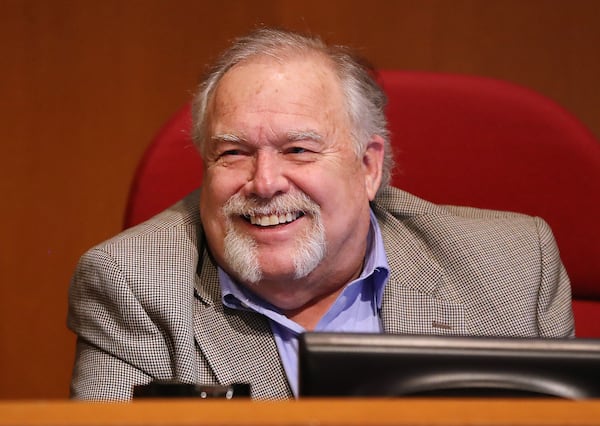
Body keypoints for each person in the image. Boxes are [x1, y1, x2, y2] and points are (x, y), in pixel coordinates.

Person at [68, 28, 574, 401]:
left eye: (299, 150)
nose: (264, 183)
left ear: (368, 166)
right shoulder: (133, 283)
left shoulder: (512, 267)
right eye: (233, 153)